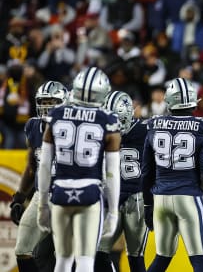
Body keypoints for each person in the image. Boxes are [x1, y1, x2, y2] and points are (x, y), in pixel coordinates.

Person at [36, 67, 121, 272]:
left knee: (63, 260)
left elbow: (45, 165)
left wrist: (42, 205)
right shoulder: (108, 120)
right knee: (85, 261)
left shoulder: (56, 115)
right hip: (89, 193)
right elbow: (112, 173)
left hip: (60, 193)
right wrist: (113, 211)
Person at [141, 78, 203, 272]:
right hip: (188, 197)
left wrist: (147, 203)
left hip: (160, 198)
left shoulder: (153, 124)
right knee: (199, 260)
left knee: (162, 258)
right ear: (192, 101)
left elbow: (147, 171)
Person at [12, 81, 67, 272]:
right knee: (23, 250)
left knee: (69, 257)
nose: (47, 106)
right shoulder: (33, 126)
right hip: (41, 195)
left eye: (52, 101)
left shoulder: (74, 128)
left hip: (68, 197)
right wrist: (19, 195)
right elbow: (30, 166)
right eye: (43, 102)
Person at [96, 91, 149, 272]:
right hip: (112, 198)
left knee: (135, 256)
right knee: (98, 251)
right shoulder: (100, 132)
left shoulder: (145, 130)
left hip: (137, 198)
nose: (114, 124)